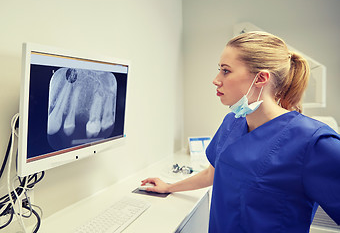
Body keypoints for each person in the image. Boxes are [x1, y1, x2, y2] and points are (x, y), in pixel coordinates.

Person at [141, 31, 340, 232]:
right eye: (219, 69)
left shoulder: (313, 142)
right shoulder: (232, 122)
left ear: (261, 78)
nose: (216, 80)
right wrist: (168, 187)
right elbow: (214, 172)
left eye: (226, 71)